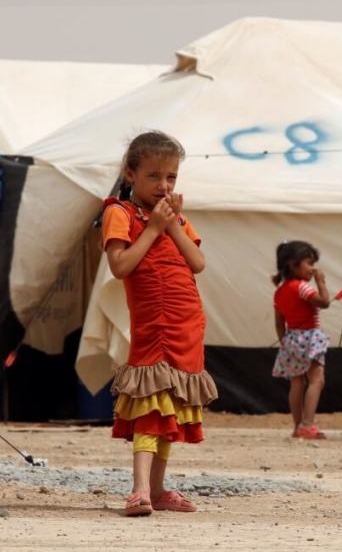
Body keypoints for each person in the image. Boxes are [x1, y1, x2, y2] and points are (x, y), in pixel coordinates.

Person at [102, 131, 218, 516]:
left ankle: (158, 487)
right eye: (154, 176)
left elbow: (198, 264)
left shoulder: (177, 218)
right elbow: (120, 267)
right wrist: (152, 227)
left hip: (187, 321)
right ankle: (139, 490)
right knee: (151, 401)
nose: (163, 185)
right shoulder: (119, 213)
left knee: (172, 407)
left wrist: (169, 225)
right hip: (155, 323)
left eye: (171, 178)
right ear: (130, 173)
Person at [272, 240, 331, 440]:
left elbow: (279, 323)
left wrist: (284, 343)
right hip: (309, 337)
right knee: (317, 379)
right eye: (309, 263)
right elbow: (324, 303)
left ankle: (298, 426)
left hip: (290, 338)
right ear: (292, 263)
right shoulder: (303, 287)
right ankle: (308, 424)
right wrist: (321, 282)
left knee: (296, 383)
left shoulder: (279, 292)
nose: (312, 268)